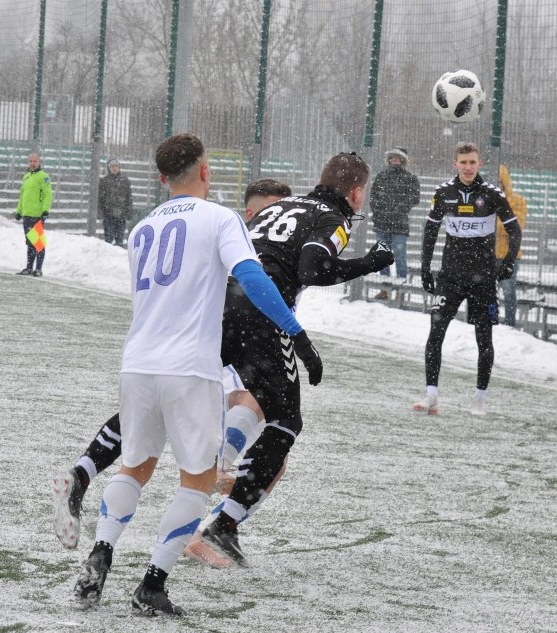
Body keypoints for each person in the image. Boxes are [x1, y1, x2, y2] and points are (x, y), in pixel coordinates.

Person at [71, 135, 323, 617]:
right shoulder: (220, 218)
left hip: (138, 362)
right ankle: (152, 584)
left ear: (163, 178)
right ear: (204, 171)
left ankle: (101, 551)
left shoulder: (141, 228)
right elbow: (251, 278)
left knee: (136, 467)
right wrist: (297, 332)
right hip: (189, 368)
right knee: (198, 480)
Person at [52, 178, 294, 566]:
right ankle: (175, 562)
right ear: (252, 212)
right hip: (207, 349)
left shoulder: (149, 224)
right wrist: (296, 332)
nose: (285, 218)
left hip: (149, 353)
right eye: (275, 210)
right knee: (241, 430)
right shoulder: (227, 232)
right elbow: (247, 283)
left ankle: (87, 489)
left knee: (139, 455)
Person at [199, 152, 394, 566]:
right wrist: (371, 262)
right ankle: (222, 525)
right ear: (357, 193)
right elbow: (314, 268)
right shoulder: (334, 216)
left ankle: (98, 466)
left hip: (219, 303)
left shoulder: (283, 205)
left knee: (189, 390)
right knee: (287, 420)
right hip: (261, 312)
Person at [414, 142, 521, 416]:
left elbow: (514, 230)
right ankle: (431, 395)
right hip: (450, 277)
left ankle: (479, 399)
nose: (468, 167)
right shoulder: (443, 193)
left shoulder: (492, 194)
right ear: (455, 164)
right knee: (435, 334)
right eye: (463, 162)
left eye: (472, 162)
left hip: (483, 279)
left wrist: (507, 263)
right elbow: (430, 230)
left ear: (480, 163)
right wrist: (426, 268)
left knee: (484, 340)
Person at [369, 147, 421, 300]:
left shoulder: (410, 178)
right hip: (382, 224)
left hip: (400, 225)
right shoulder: (381, 176)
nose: (394, 160)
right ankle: (385, 290)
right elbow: (373, 198)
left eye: (398, 158)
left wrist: (399, 208)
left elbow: (415, 198)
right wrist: (379, 213)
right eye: (392, 158)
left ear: (403, 160)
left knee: (400, 257)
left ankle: (401, 291)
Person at [495, 165, 528, 327]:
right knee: (488, 293)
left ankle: (509, 324)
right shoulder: (486, 200)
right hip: (490, 255)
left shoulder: (517, 201)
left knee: (508, 292)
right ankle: (490, 321)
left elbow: (516, 226)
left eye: (498, 182)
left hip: (509, 256)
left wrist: (494, 224)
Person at [14, 152, 53, 277]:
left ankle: (38, 269)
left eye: (35, 161)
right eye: (30, 161)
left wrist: (45, 210)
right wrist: (19, 210)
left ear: (39, 162)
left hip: (37, 214)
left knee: (38, 243)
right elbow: (22, 196)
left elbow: (48, 195)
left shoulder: (43, 177)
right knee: (30, 243)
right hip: (27, 214)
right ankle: (29, 267)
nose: (32, 163)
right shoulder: (26, 177)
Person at [97, 157, 133, 247]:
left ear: (119, 167)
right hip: (108, 215)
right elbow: (100, 199)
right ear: (108, 168)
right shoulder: (103, 181)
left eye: (116, 166)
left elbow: (129, 197)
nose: (114, 168)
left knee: (119, 240)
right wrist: (100, 213)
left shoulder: (125, 181)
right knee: (108, 239)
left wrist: (129, 211)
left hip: (121, 215)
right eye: (112, 166)